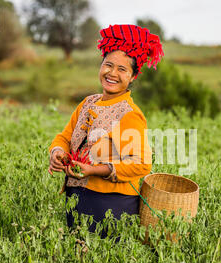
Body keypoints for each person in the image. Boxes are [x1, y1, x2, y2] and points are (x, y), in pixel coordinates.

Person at [48, 24, 164, 238]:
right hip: (77, 195)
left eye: (122, 69)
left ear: (133, 76)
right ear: (100, 66)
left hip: (110, 204)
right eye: (108, 65)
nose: (112, 73)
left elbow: (140, 163)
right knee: (77, 259)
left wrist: (94, 170)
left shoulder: (129, 113)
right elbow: (65, 137)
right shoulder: (88, 102)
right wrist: (57, 153)